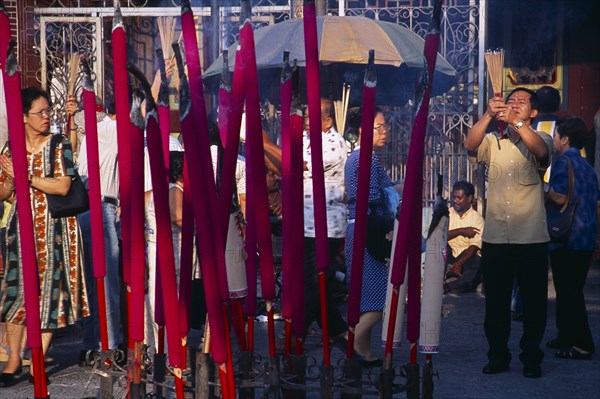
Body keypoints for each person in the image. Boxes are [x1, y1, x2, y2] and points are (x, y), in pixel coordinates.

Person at [0, 87, 89, 386]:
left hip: (57, 231)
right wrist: (12, 179)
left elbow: (63, 186)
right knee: (15, 293)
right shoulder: (11, 147)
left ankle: (38, 359)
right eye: (41, 112)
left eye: (49, 111)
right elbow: (2, 192)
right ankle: (14, 358)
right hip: (19, 229)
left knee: (51, 297)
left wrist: (28, 176)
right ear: (24, 117)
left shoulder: (59, 143)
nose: (47, 117)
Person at [465, 87, 553, 378]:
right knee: (496, 304)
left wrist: (516, 123)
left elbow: (541, 153)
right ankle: (498, 355)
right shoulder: (493, 140)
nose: (514, 105)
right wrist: (489, 114)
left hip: (531, 238)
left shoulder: (543, 138)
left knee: (534, 302)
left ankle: (531, 357)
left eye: (522, 102)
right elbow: (469, 144)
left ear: (534, 112)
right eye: (510, 101)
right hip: (496, 237)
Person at [345, 107, 400, 367]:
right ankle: (354, 339)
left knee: (368, 295)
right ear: (361, 131)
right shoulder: (361, 159)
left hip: (366, 228)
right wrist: (399, 189)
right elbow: (373, 195)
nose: (384, 130)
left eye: (384, 125)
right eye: (378, 127)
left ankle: (363, 350)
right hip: (367, 231)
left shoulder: (369, 158)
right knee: (379, 297)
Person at [545, 116, 598, 360]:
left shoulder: (562, 161)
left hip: (567, 236)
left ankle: (582, 344)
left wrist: (541, 191)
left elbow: (559, 197)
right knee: (572, 289)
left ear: (565, 140)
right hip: (585, 236)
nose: (554, 139)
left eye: (556, 136)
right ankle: (565, 336)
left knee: (569, 292)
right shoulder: (587, 165)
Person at [76, 98, 124, 366]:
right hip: (100, 207)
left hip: (86, 209)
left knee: (90, 285)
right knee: (107, 282)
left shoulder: (94, 133)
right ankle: (110, 346)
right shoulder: (109, 130)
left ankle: (90, 345)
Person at [302, 98, 348, 343]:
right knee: (316, 282)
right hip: (304, 223)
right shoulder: (304, 140)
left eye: (311, 117)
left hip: (327, 226)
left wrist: (264, 144)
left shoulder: (335, 142)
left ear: (328, 120)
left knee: (312, 282)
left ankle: (295, 333)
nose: (306, 121)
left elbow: (297, 164)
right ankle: (338, 330)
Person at [444, 180, 484, 294]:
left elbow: (474, 247)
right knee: (439, 249)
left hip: (466, 259)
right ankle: (459, 282)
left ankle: (450, 286)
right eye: (454, 197)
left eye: (459, 198)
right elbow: (438, 238)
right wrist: (461, 231)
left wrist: (460, 263)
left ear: (470, 198)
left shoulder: (477, 219)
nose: (455, 201)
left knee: (479, 262)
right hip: (449, 258)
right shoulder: (446, 214)